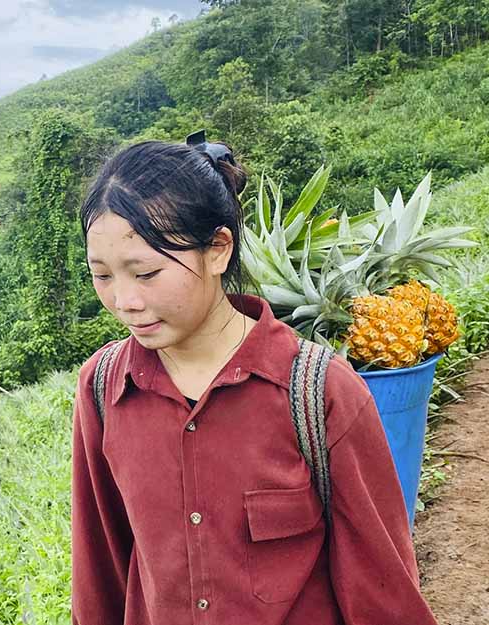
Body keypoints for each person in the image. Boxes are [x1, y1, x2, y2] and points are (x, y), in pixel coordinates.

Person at [71, 137, 439, 624]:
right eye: (103, 275)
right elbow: (101, 572)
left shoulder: (318, 392)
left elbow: (383, 593)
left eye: (146, 273)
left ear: (219, 249)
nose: (124, 301)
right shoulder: (104, 390)